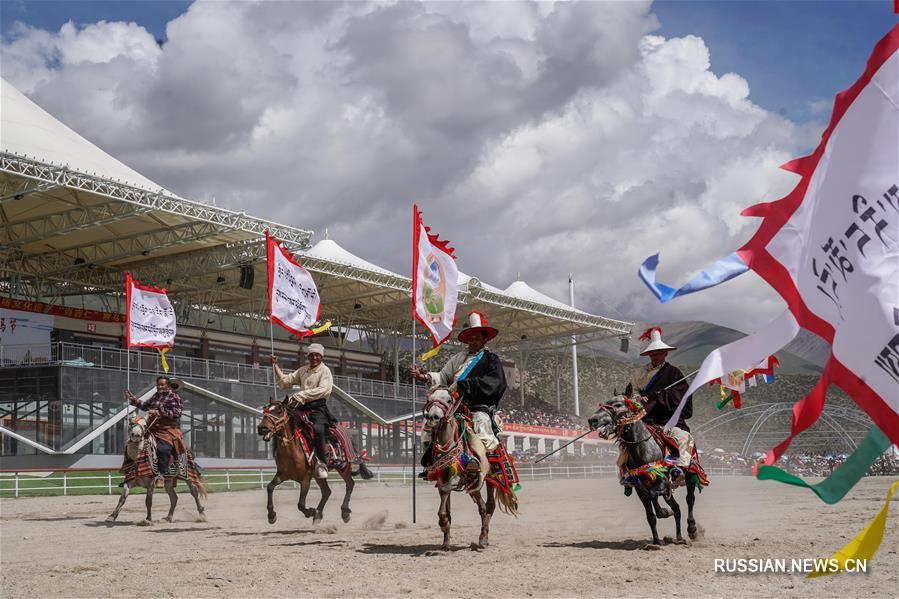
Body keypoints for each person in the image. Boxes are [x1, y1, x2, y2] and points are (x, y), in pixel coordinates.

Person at [411, 310, 507, 469]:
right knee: (431, 418)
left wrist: (466, 385)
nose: (472, 341)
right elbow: (443, 376)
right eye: (470, 338)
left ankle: (485, 463)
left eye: (477, 338)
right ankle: (430, 458)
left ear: (484, 340)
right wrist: (424, 377)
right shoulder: (458, 358)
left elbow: (495, 383)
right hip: (453, 403)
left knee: (481, 422)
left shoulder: (491, 360)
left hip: (477, 405)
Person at [629, 326, 695, 484]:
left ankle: (680, 469)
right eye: (652, 354)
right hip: (644, 417)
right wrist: (638, 398)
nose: (655, 356)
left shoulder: (674, 373)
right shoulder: (640, 373)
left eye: (658, 353)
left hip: (667, 418)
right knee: (627, 442)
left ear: (665, 353)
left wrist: (657, 396)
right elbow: (633, 391)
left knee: (682, 436)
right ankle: (627, 473)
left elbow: (681, 395)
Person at [271, 343, 335, 479]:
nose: (314, 357)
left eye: (317, 355)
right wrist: (275, 366)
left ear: (321, 357)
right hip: (301, 407)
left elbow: (324, 390)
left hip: (318, 408)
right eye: (312, 355)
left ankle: (322, 463)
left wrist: (301, 395)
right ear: (308, 356)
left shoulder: (325, 371)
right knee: (284, 423)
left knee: (318, 429)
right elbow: (286, 381)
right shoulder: (303, 370)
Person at [124, 376, 185, 478]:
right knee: (132, 442)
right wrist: (133, 399)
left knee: (163, 449)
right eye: (158, 384)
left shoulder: (174, 397)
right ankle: (129, 471)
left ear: (168, 386)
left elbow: (177, 413)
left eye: (162, 384)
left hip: (166, 430)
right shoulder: (155, 396)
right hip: (151, 428)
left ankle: (162, 473)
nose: (159, 386)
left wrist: (159, 412)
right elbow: (145, 406)